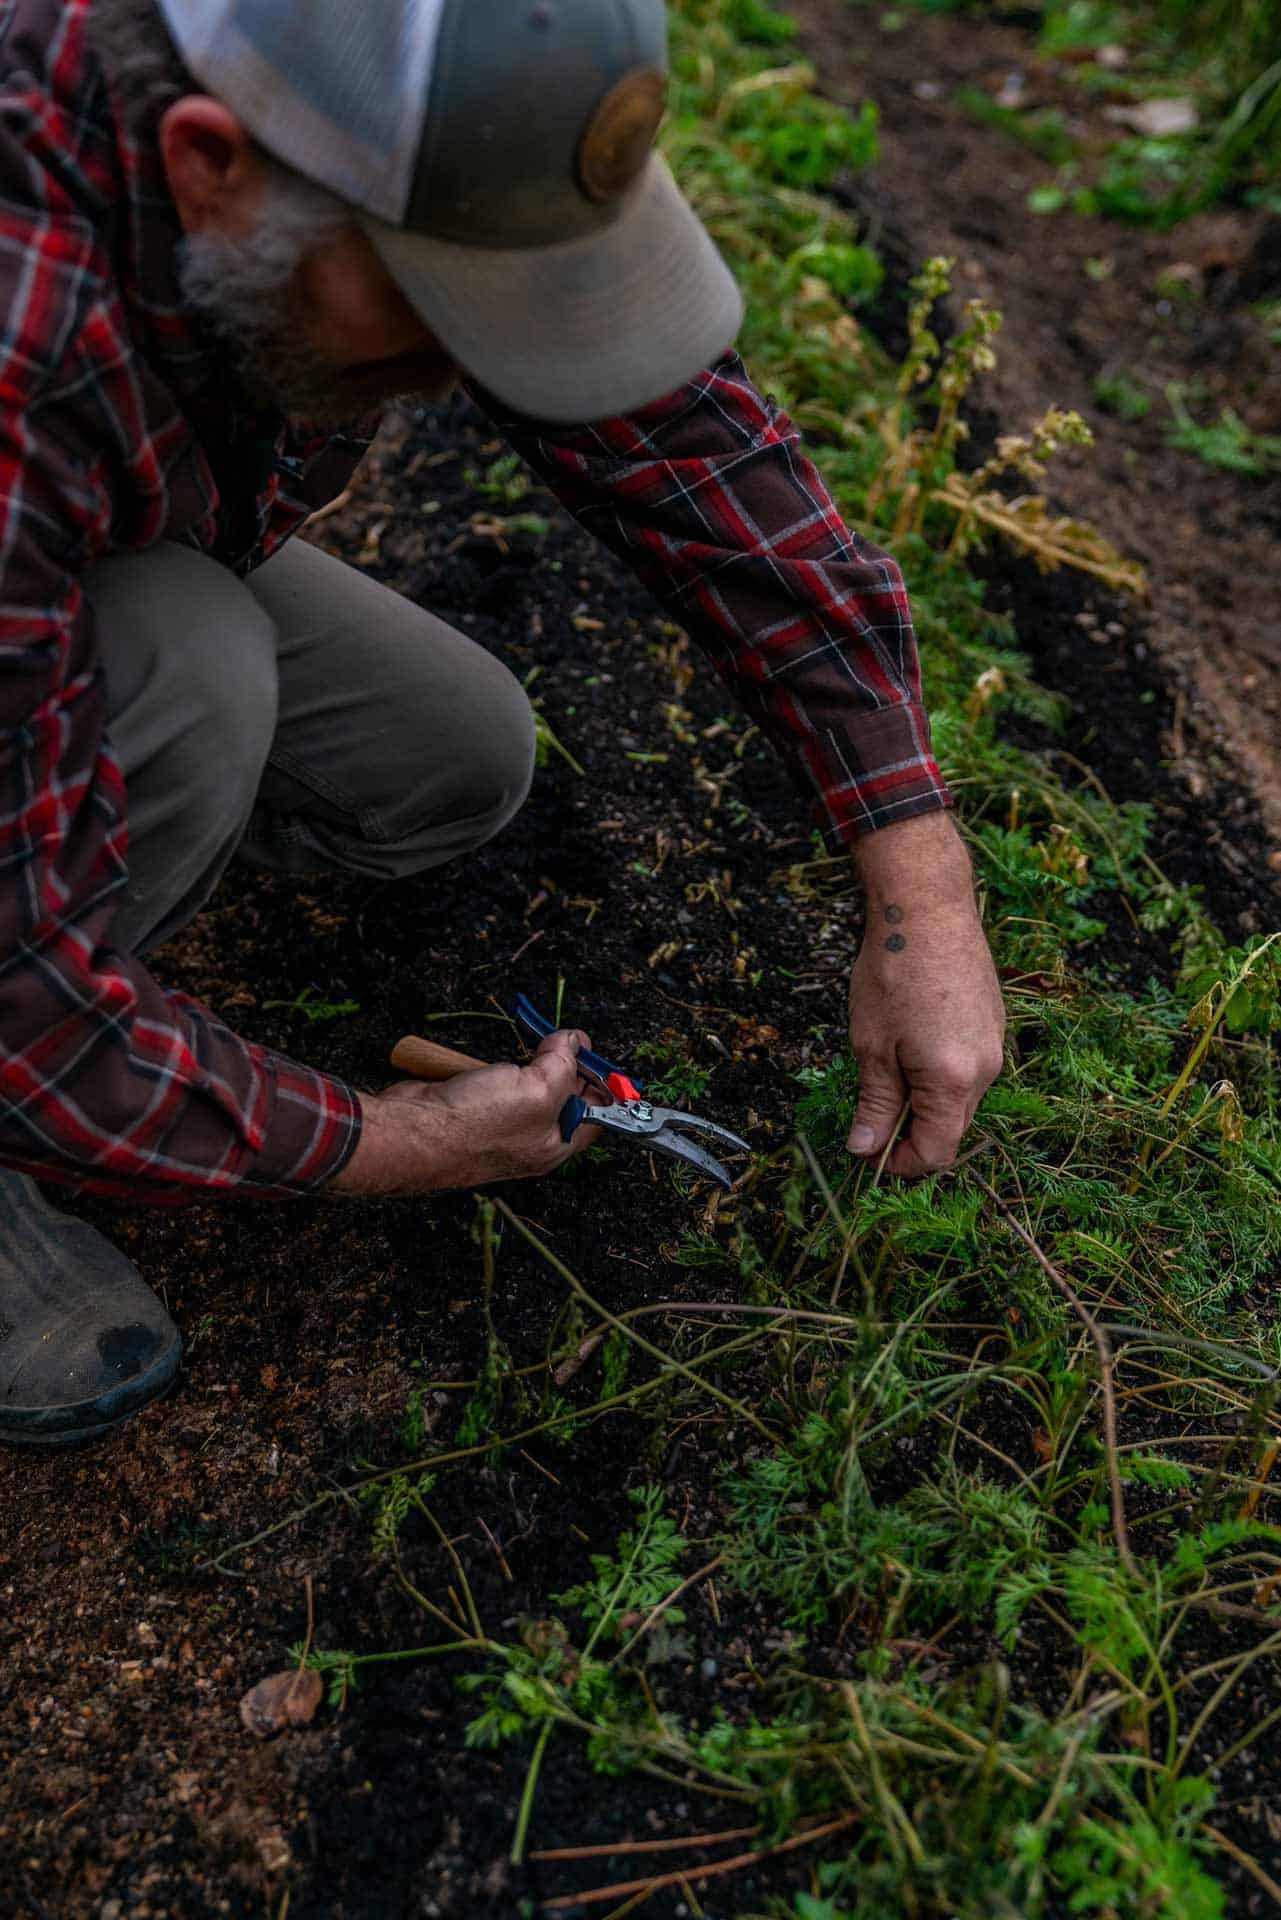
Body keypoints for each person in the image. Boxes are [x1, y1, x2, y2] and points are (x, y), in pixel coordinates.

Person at [0, 0, 1006, 1448]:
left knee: (447, 757)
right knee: (192, 664)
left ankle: (143, 907)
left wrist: (921, 886)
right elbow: (22, 990)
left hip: (79, 541)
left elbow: (686, 446)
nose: (480, 367)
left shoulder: (299, 151)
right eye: (440, 305)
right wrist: (392, 1143)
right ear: (211, 165)